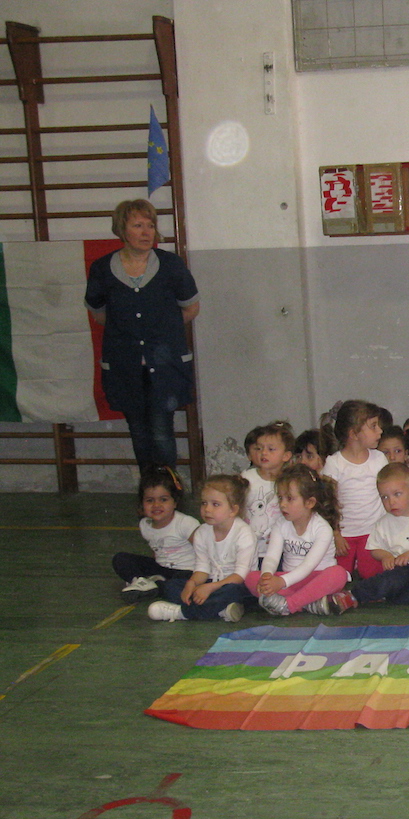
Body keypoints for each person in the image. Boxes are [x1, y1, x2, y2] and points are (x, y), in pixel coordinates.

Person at [84, 198, 199, 469]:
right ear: (122, 230)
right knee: (138, 431)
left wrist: (160, 328)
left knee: (162, 431)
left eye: (150, 225)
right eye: (138, 225)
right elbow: (99, 313)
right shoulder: (102, 268)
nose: (147, 232)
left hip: (165, 365)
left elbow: (191, 309)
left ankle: (168, 491)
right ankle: (149, 491)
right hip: (125, 366)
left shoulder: (171, 265)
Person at [331, 462, 409, 610]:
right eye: (384, 497)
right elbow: (375, 549)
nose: (391, 501)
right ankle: (353, 596)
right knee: (395, 578)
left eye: (397, 494)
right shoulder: (384, 522)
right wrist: (386, 555)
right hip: (399, 573)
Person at [147, 474, 255, 622]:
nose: (207, 509)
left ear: (233, 510)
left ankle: (181, 613)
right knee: (171, 586)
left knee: (233, 591)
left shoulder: (244, 533)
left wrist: (211, 588)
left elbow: (240, 575)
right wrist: (192, 584)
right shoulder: (202, 532)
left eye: (215, 504)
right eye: (204, 503)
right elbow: (202, 568)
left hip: (237, 585)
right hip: (212, 583)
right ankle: (221, 610)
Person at [246, 464, 350, 616]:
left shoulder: (322, 529)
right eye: (280, 498)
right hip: (290, 581)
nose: (282, 504)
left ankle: (289, 604)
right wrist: (267, 576)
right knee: (251, 577)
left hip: (317, 579)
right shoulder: (281, 524)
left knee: (338, 574)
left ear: (309, 503)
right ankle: (311, 604)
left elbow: (308, 566)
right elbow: (272, 557)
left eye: (290, 499)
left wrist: (281, 583)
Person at [320, 399, 388, 581]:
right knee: (339, 577)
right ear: (354, 434)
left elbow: (387, 495)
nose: (380, 430)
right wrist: (335, 533)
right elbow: (327, 502)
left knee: (371, 576)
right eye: (373, 426)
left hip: (372, 533)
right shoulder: (334, 463)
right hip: (345, 536)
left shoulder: (379, 459)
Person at [112, 465, 198, 604]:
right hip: (161, 569)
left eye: (163, 499)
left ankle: (157, 586)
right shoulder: (145, 525)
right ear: (142, 503)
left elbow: (206, 549)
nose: (156, 505)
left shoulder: (186, 523)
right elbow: (157, 550)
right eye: (150, 500)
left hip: (185, 571)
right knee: (120, 559)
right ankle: (141, 581)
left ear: (175, 502)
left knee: (178, 584)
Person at [240, 420, 293, 566]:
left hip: (282, 550)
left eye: (271, 449)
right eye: (258, 448)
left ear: (286, 456)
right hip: (250, 548)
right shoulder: (246, 479)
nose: (264, 453)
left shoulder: (290, 482)